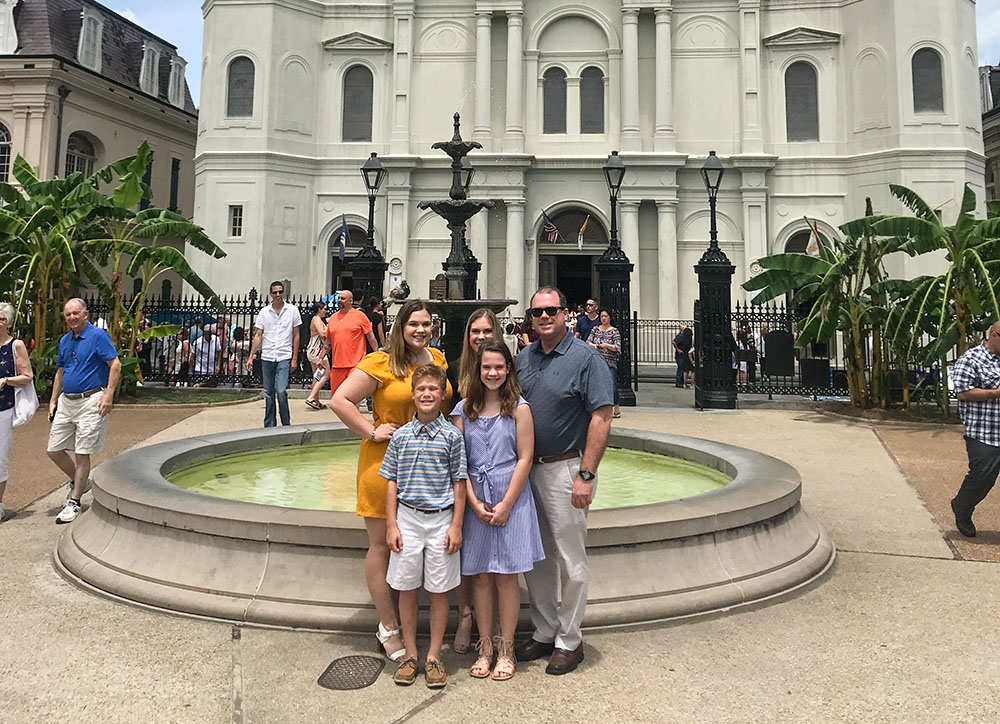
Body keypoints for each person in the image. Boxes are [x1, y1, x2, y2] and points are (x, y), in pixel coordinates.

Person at [329, 299, 452, 663]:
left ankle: (407, 626)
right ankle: (388, 626)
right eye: (413, 323)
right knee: (382, 545)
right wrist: (371, 430)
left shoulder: (437, 360)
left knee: (409, 547)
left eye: (426, 324)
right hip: (384, 466)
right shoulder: (380, 362)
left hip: (427, 471)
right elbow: (340, 400)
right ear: (400, 327)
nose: (420, 330)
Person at [514, 286, 613, 675]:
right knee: (537, 557)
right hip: (527, 468)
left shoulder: (587, 359)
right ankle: (545, 630)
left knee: (571, 557)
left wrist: (586, 475)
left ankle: (570, 640)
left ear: (565, 313)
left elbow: (601, 418)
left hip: (566, 467)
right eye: (537, 311)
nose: (544, 317)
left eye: (551, 310)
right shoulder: (524, 358)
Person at [452, 339, 542, 681]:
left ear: (509, 370)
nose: (492, 373)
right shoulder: (464, 409)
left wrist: (506, 503)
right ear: (478, 369)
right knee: (481, 576)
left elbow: (525, 458)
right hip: (476, 496)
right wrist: (472, 502)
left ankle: (506, 648)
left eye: (499, 367)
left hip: (511, 498)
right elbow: (459, 460)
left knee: (506, 576)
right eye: (487, 367)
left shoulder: (519, 408)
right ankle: (485, 646)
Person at [382, 364, 467, 688]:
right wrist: (392, 525)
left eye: (433, 389)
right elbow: (391, 482)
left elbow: (459, 481)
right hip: (408, 518)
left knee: (439, 589)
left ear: (442, 393)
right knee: (406, 588)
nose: (427, 394)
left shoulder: (452, 436)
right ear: (413, 394)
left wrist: (456, 525)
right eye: (421, 389)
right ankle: (410, 654)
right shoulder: (401, 436)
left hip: (441, 519)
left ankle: (434, 655)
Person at [445, 307, 503, 655]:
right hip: (462, 472)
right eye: (474, 332)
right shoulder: (455, 371)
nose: (480, 337)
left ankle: (492, 622)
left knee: (493, 554)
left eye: (486, 331)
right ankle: (466, 615)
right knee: (466, 552)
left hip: (494, 472)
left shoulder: (504, 368)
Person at [47, 298, 122, 524]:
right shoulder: (65, 341)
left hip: (91, 399)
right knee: (54, 449)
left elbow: (115, 364)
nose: (71, 317)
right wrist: (52, 400)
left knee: (82, 452)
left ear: (85, 315)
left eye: (75, 313)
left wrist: (108, 396)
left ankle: (75, 500)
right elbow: (60, 372)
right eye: (68, 314)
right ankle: (80, 480)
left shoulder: (98, 336)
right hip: (67, 400)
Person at [950, 321, 1000, 537]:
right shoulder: (971, 359)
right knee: (982, 477)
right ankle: (962, 506)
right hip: (984, 432)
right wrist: (995, 393)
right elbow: (962, 392)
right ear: (995, 334)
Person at [247, 281, 300, 427]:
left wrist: (295, 358)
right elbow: (258, 335)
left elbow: (296, 335)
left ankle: (286, 423)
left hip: (284, 355)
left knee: (281, 391)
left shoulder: (292, 310)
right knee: (268, 392)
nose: (278, 295)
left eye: (280, 292)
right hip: (268, 355)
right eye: (275, 292)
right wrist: (251, 355)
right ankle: (269, 424)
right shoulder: (264, 312)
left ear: (283, 293)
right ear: (271, 294)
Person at [0, 302, 34, 521]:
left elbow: (27, 376)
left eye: (1, 318)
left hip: (3, 408)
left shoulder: (16, 345)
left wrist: (5, 380)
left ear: (8, 322)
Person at [325, 290, 379, 399]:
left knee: (352, 398)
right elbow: (328, 343)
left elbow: (371, 337)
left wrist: (377, 353)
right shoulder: (333, 318)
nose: (339, 301)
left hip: (355, 365)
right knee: (336, 399)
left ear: (350, 301)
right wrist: (321, 358)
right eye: (339, 298)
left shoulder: (360, 316)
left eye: (343, 299)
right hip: (337, 366)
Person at [586, 308, 622, 419]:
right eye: (602, 316)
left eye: (605, 316)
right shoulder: (595, 329)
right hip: (596, 361)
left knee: (612, 385)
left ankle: (615, 405)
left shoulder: (614, 331)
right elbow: (588, 341)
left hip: (609, 362)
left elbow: (617, 347)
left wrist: (605, 345)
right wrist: (594, 346)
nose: (603, 318)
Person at [304, 301, 330, 409]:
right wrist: (329, 326)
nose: (326, 311)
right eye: (324, 309)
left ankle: (316, 401)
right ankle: (311, 397)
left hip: (312, 349)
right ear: (319, 310)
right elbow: (323, 333)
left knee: (317, 375)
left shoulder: (316, 319)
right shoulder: (317, 319)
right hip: (317, 350)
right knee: (325, 374)